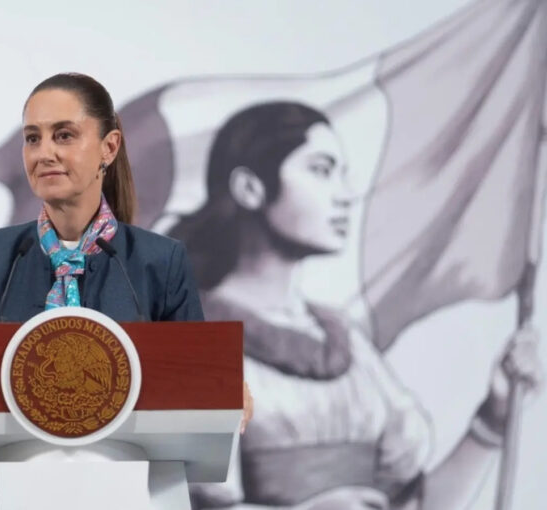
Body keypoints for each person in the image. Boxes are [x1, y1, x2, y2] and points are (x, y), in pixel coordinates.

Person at [168, 101, 543, 509]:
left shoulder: (347, 344)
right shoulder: (187, 340)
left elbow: (416, 504)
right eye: (322, 170)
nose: (346, 195)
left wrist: (493, 419)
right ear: (250, 188)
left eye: (343, 175)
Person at [0, 72, 254, 440]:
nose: (44, 153)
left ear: (109, 148)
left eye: (63, 135)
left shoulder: (160, 261)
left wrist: (223, 392)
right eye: (32, 138)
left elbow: (196, 384)